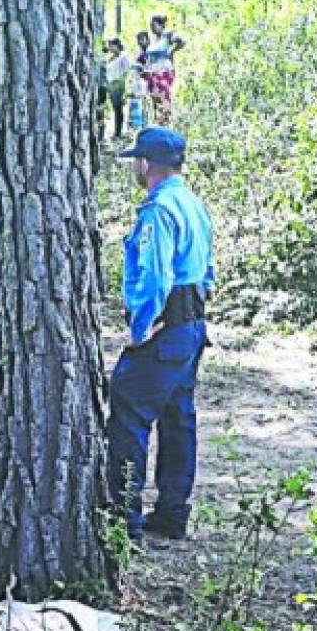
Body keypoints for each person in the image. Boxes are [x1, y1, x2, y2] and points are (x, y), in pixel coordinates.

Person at [109, 129, 214, 544]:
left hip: (165, 329)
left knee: (128, 415)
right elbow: (207, 272)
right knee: (177, 419)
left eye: (136, 160)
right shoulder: (193, 205)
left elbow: (155, 277)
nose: (135, 167)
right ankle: (172, 513)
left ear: (146, 164)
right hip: (190, 329)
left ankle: (124, 524)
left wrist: (141, 328)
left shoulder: (157, 211)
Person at [145, 15, 186, 125]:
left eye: (154, 25)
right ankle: (157, 125)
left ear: (161, 25)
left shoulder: (167, 36)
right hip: (152, 74)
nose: (152, 28)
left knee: (164, 99)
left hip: (163, 72)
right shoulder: (153, 41)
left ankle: (166, 124)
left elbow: (181, 41)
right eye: (150, 26)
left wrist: (171, 51)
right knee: (155, 102)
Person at [105, 39, 132, 140]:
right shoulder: (110, 58)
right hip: (111, 84)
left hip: (118, 84)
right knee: (115, 108)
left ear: (117, 45)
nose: (110, 48)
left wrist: (121, 84)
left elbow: (126, 72)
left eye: (112, 46)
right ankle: (116, 131)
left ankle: (118, 132)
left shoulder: (123, 57)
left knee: (118, 108)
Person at [128, 64, 149, 133]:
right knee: (132, 119)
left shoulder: (142, 82)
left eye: (134, 70)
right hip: (132, 102)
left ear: (139, 72)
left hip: (138, 103)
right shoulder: (133, 81)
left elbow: (143, 94)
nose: (132, 72)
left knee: (138, 120)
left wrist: (134, 95)